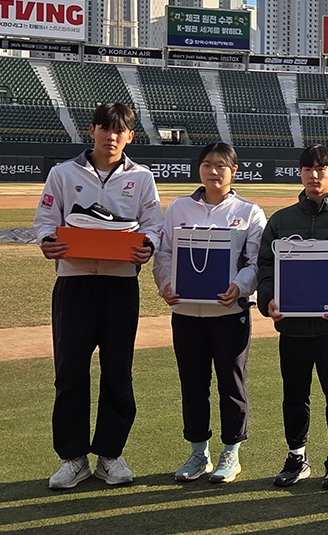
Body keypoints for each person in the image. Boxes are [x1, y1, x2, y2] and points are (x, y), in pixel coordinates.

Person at [34, 103, 163, 490]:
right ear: (91, 130)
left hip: (120, 285)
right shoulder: (63, 173)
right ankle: (73, 459)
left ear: (130, 136)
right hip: (74, 285)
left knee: (118, 371)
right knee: (70, 372)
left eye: (119, 130)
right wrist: (47, 241)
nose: (111, 136)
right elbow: (44, 220)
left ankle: (110, 455)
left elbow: (154, 223)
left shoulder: (141, 177)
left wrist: (149, 245)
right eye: (104, 129)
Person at [153, 142, 266, 484]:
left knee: (231, 383)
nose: (213, 171)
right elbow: (164, 254)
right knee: (193, 383)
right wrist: (165, 285)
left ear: (234, 171)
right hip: (186, 312)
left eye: (221, 166)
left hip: (229, 313)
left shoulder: (249, 211)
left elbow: (256, 261)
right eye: (206, 164)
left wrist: (240, 286)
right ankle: (197, 452)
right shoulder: (178, 208)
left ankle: (231, 453)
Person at [257, 145, 328, 489]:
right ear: (299, 173)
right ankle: (296, 456)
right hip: (294, 327)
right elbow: (266, 267)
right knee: (294, 394)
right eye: (308, 169)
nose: (314, 175)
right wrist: (268, 299)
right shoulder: (282, 221)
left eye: (322, 169)